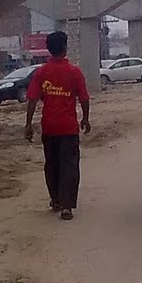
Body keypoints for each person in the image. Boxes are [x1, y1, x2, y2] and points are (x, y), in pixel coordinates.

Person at [24, 30, 90, 221]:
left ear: (50, 49)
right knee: (69, 165)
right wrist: (85, 118)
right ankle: (67, 206)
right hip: (68, 128)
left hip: (49, 127)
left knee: (52, 164)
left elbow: (32, 100)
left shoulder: (41, 72)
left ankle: (56, 200)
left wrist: (28, 125)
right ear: (64, 47)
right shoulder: (74, 72)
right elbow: (84, 98)